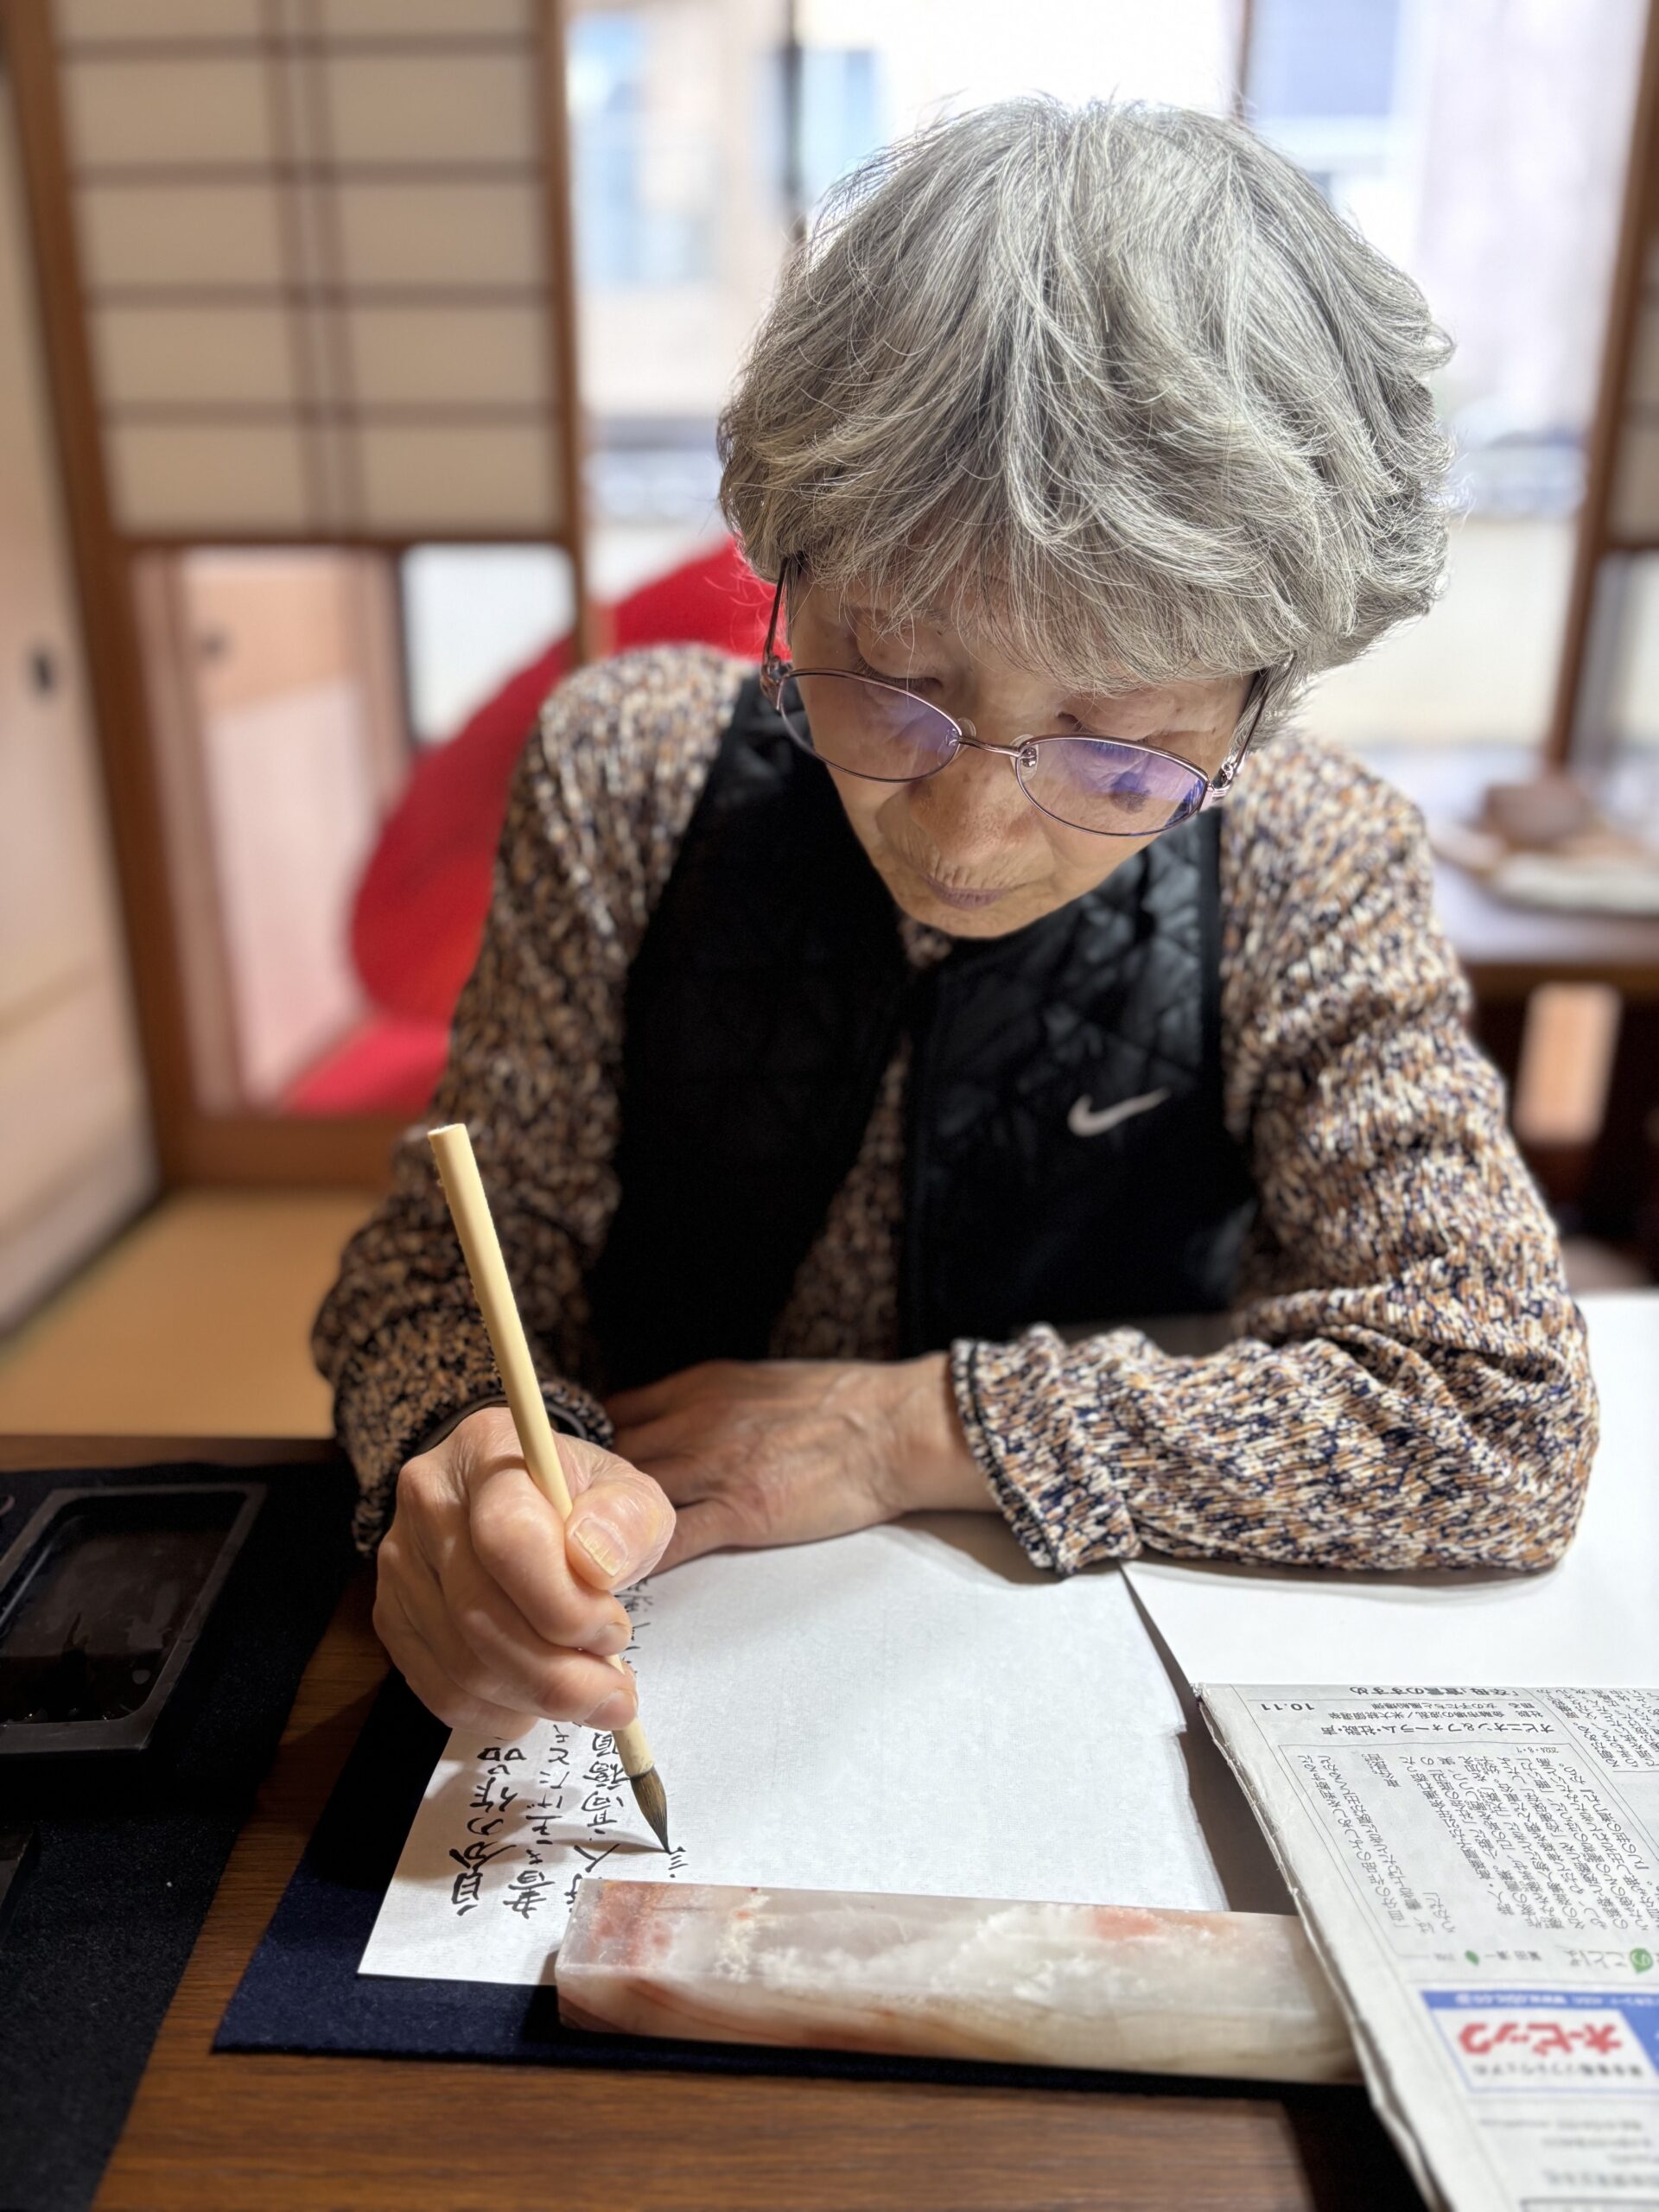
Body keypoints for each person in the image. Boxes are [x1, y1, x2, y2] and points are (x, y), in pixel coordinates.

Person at [315, 98, 1597, 1744]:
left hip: (1080, 1703)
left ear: (1258, 710)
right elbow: (439, 1262)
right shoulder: (627, 780)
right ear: (785, 573)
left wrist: (911, 1429)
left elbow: (1493, 1414)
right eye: (896, 682)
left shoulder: (1304, 858)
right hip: (674, 1663)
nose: (974, 829)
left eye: (1122, 748)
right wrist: (475, 1448)